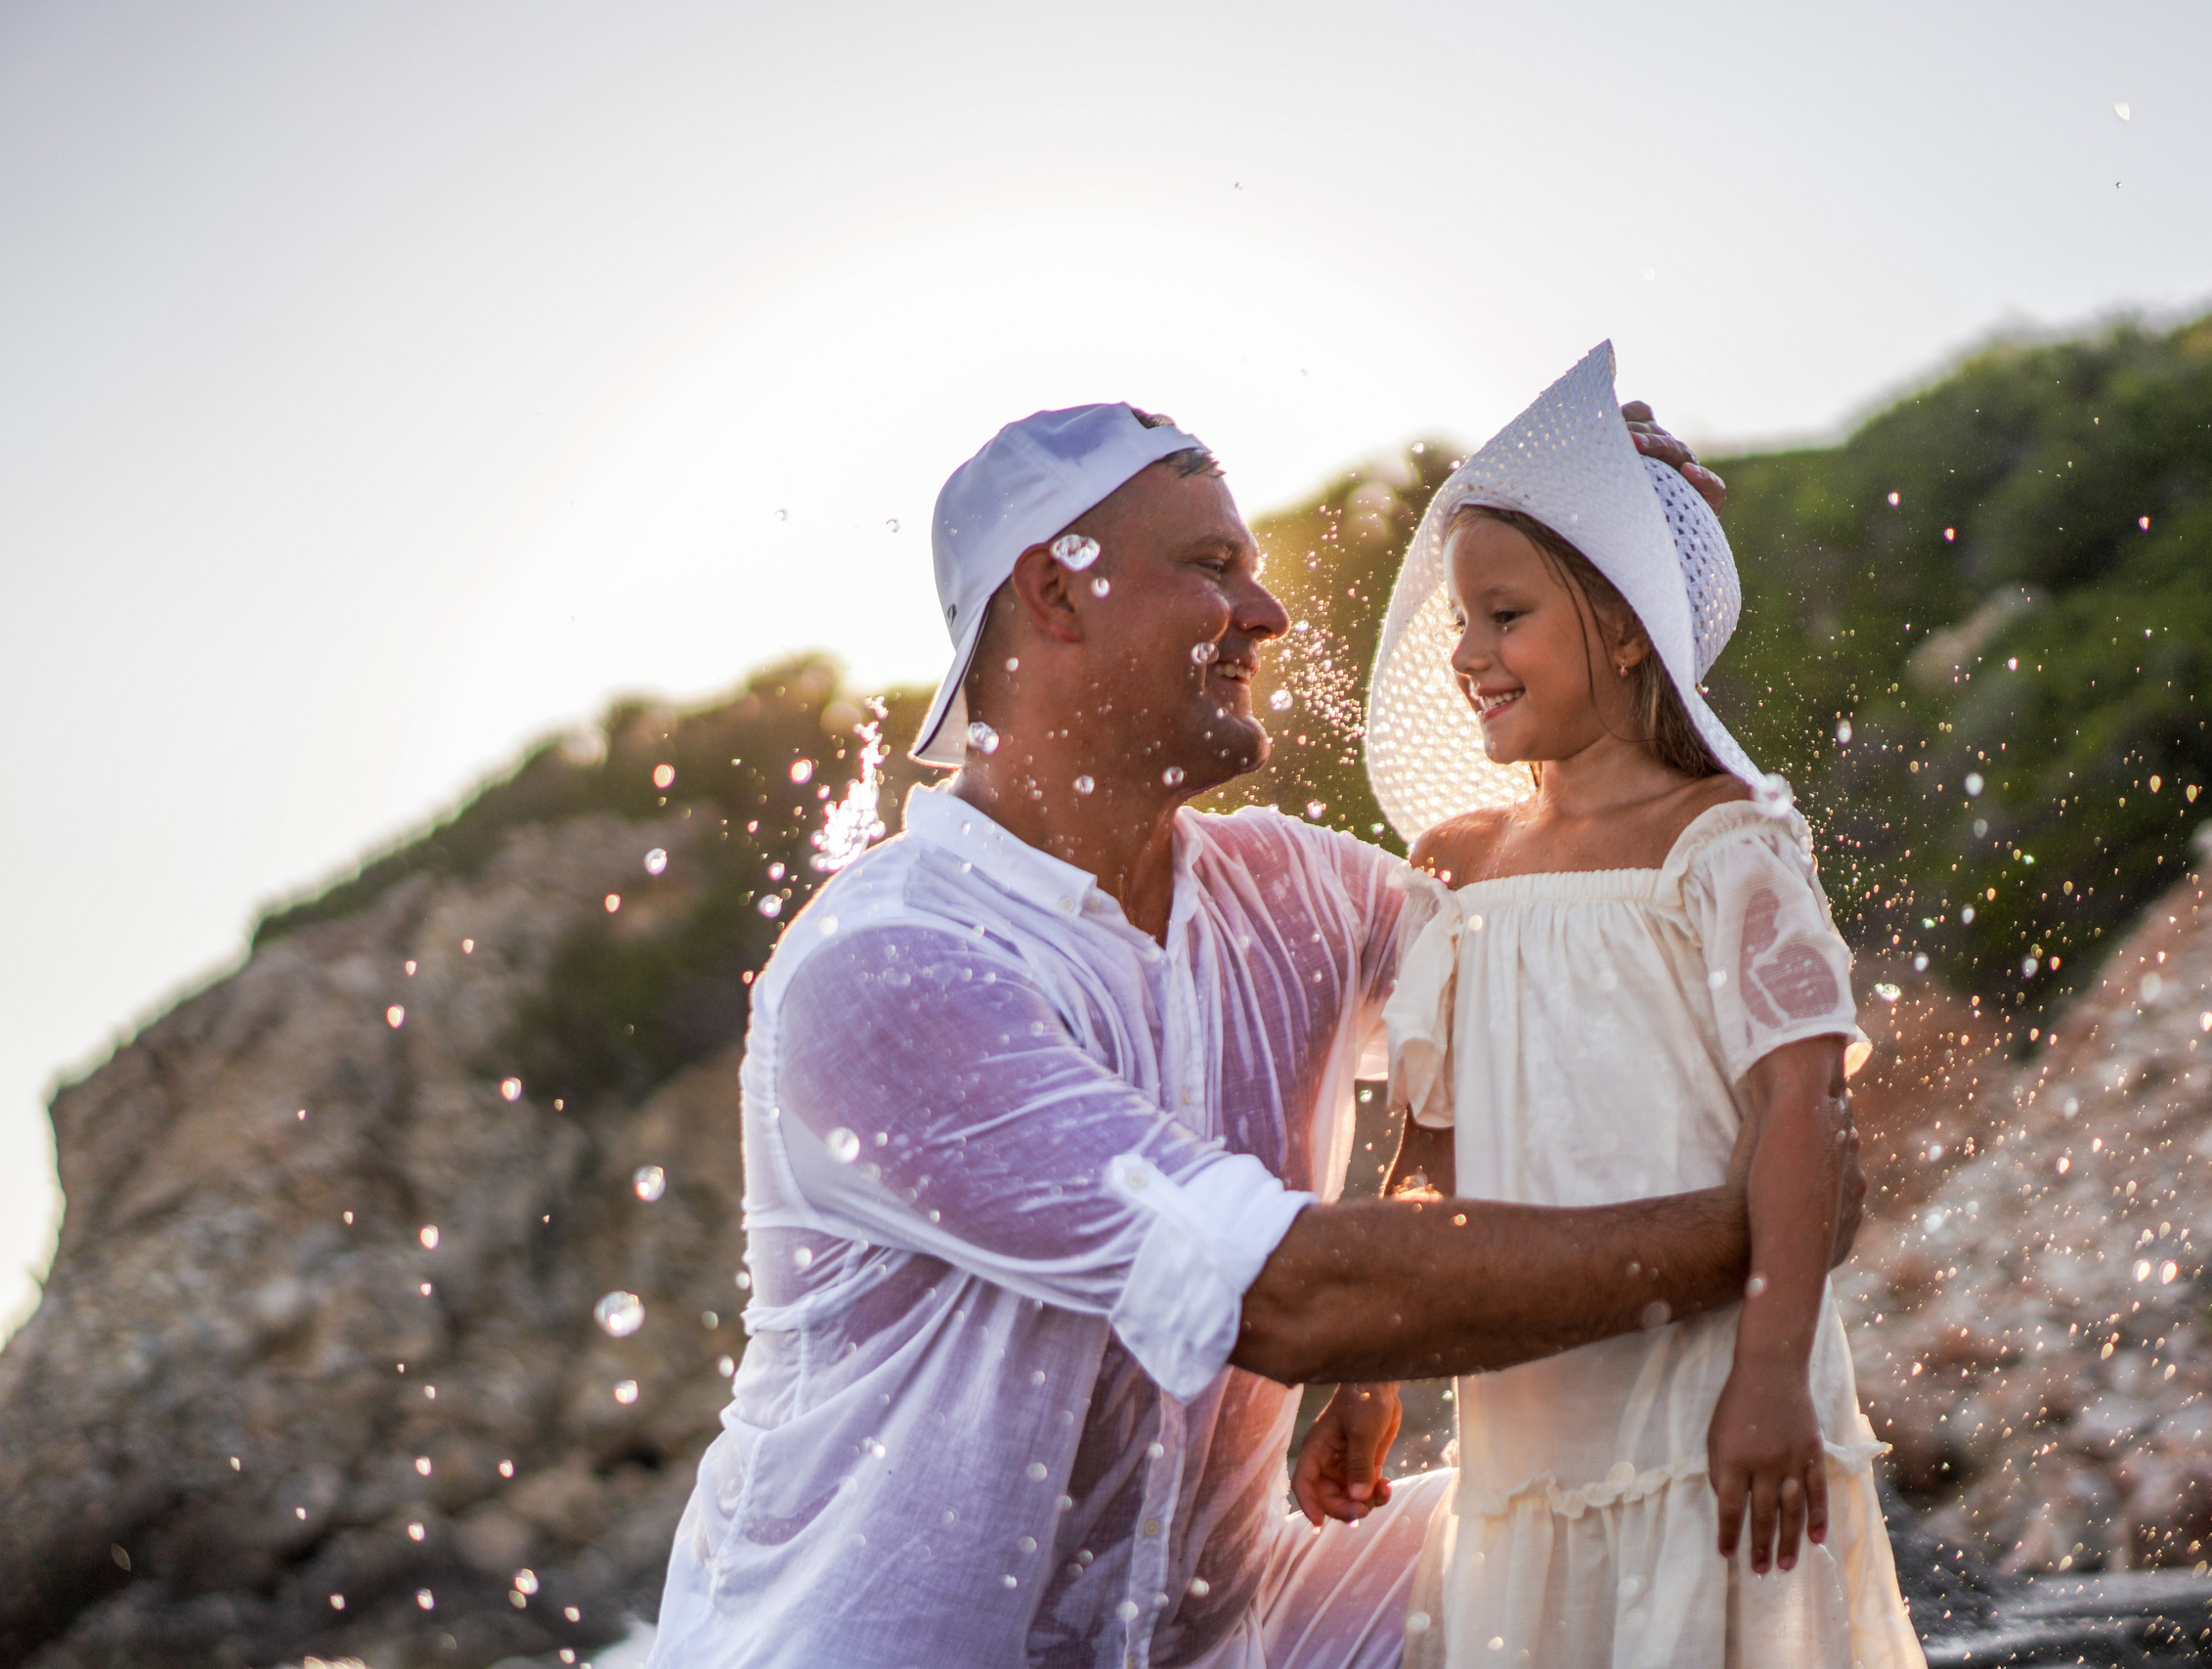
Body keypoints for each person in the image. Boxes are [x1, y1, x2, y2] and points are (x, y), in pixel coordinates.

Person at [643, 392, 1867, 1669]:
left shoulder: (1290, 893)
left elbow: (1617, 955)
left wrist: (1615, 573)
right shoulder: (891, 964)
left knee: (1678, 1516)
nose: (1268, 616)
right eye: (1213, 567)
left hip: (1228, 1636)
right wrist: (1760, 1239)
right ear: (1055, 593)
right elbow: (1296, 1300)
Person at [1294, 344, 1922, 1667]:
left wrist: (1769, 1372)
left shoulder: (1724, 845)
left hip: (1710, 1411)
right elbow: (1431, 1154)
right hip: (1530, 1423)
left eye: (1505, 615)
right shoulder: (1456, 866)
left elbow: (1803, 1108)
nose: (1467, 653)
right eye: (1462, 619)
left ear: (1627, 622)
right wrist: (1372, 1370)